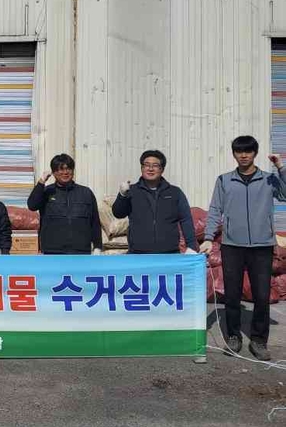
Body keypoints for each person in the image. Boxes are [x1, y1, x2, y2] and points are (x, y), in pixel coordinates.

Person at [200, 136, 286, 361]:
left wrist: (280, 167)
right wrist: (208, 237)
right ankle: (233, 336)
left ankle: (258, 340)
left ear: (255, 153)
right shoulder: (224, 180)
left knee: (261, 295)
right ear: (234, 154)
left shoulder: (268, 179)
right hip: (232, 246)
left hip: (261, 246)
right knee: (232, 294)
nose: (244, 155)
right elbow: (215, 209)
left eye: (248, 151)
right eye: (239, 151)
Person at [112, 150, 198, 254]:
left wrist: (191, 246)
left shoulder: (175, 192)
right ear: (142, 168)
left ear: (162, 169)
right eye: (146, 165)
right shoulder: (132, 191)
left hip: (169, 254)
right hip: (138, 254)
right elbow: (118, 213)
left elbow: (186, 219)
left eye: (155, 165)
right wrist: (122, 195)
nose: (150, 169)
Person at [27, 153, 102, 255]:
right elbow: (32, 205)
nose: (65, 172)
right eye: (61, 169)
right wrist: (41, 182)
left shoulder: (86, 193)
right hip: (52, 251)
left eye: (69, 169)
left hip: (81, 251)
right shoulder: (47, 191)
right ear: (54, 172)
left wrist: (97, 246)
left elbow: (95, 221)